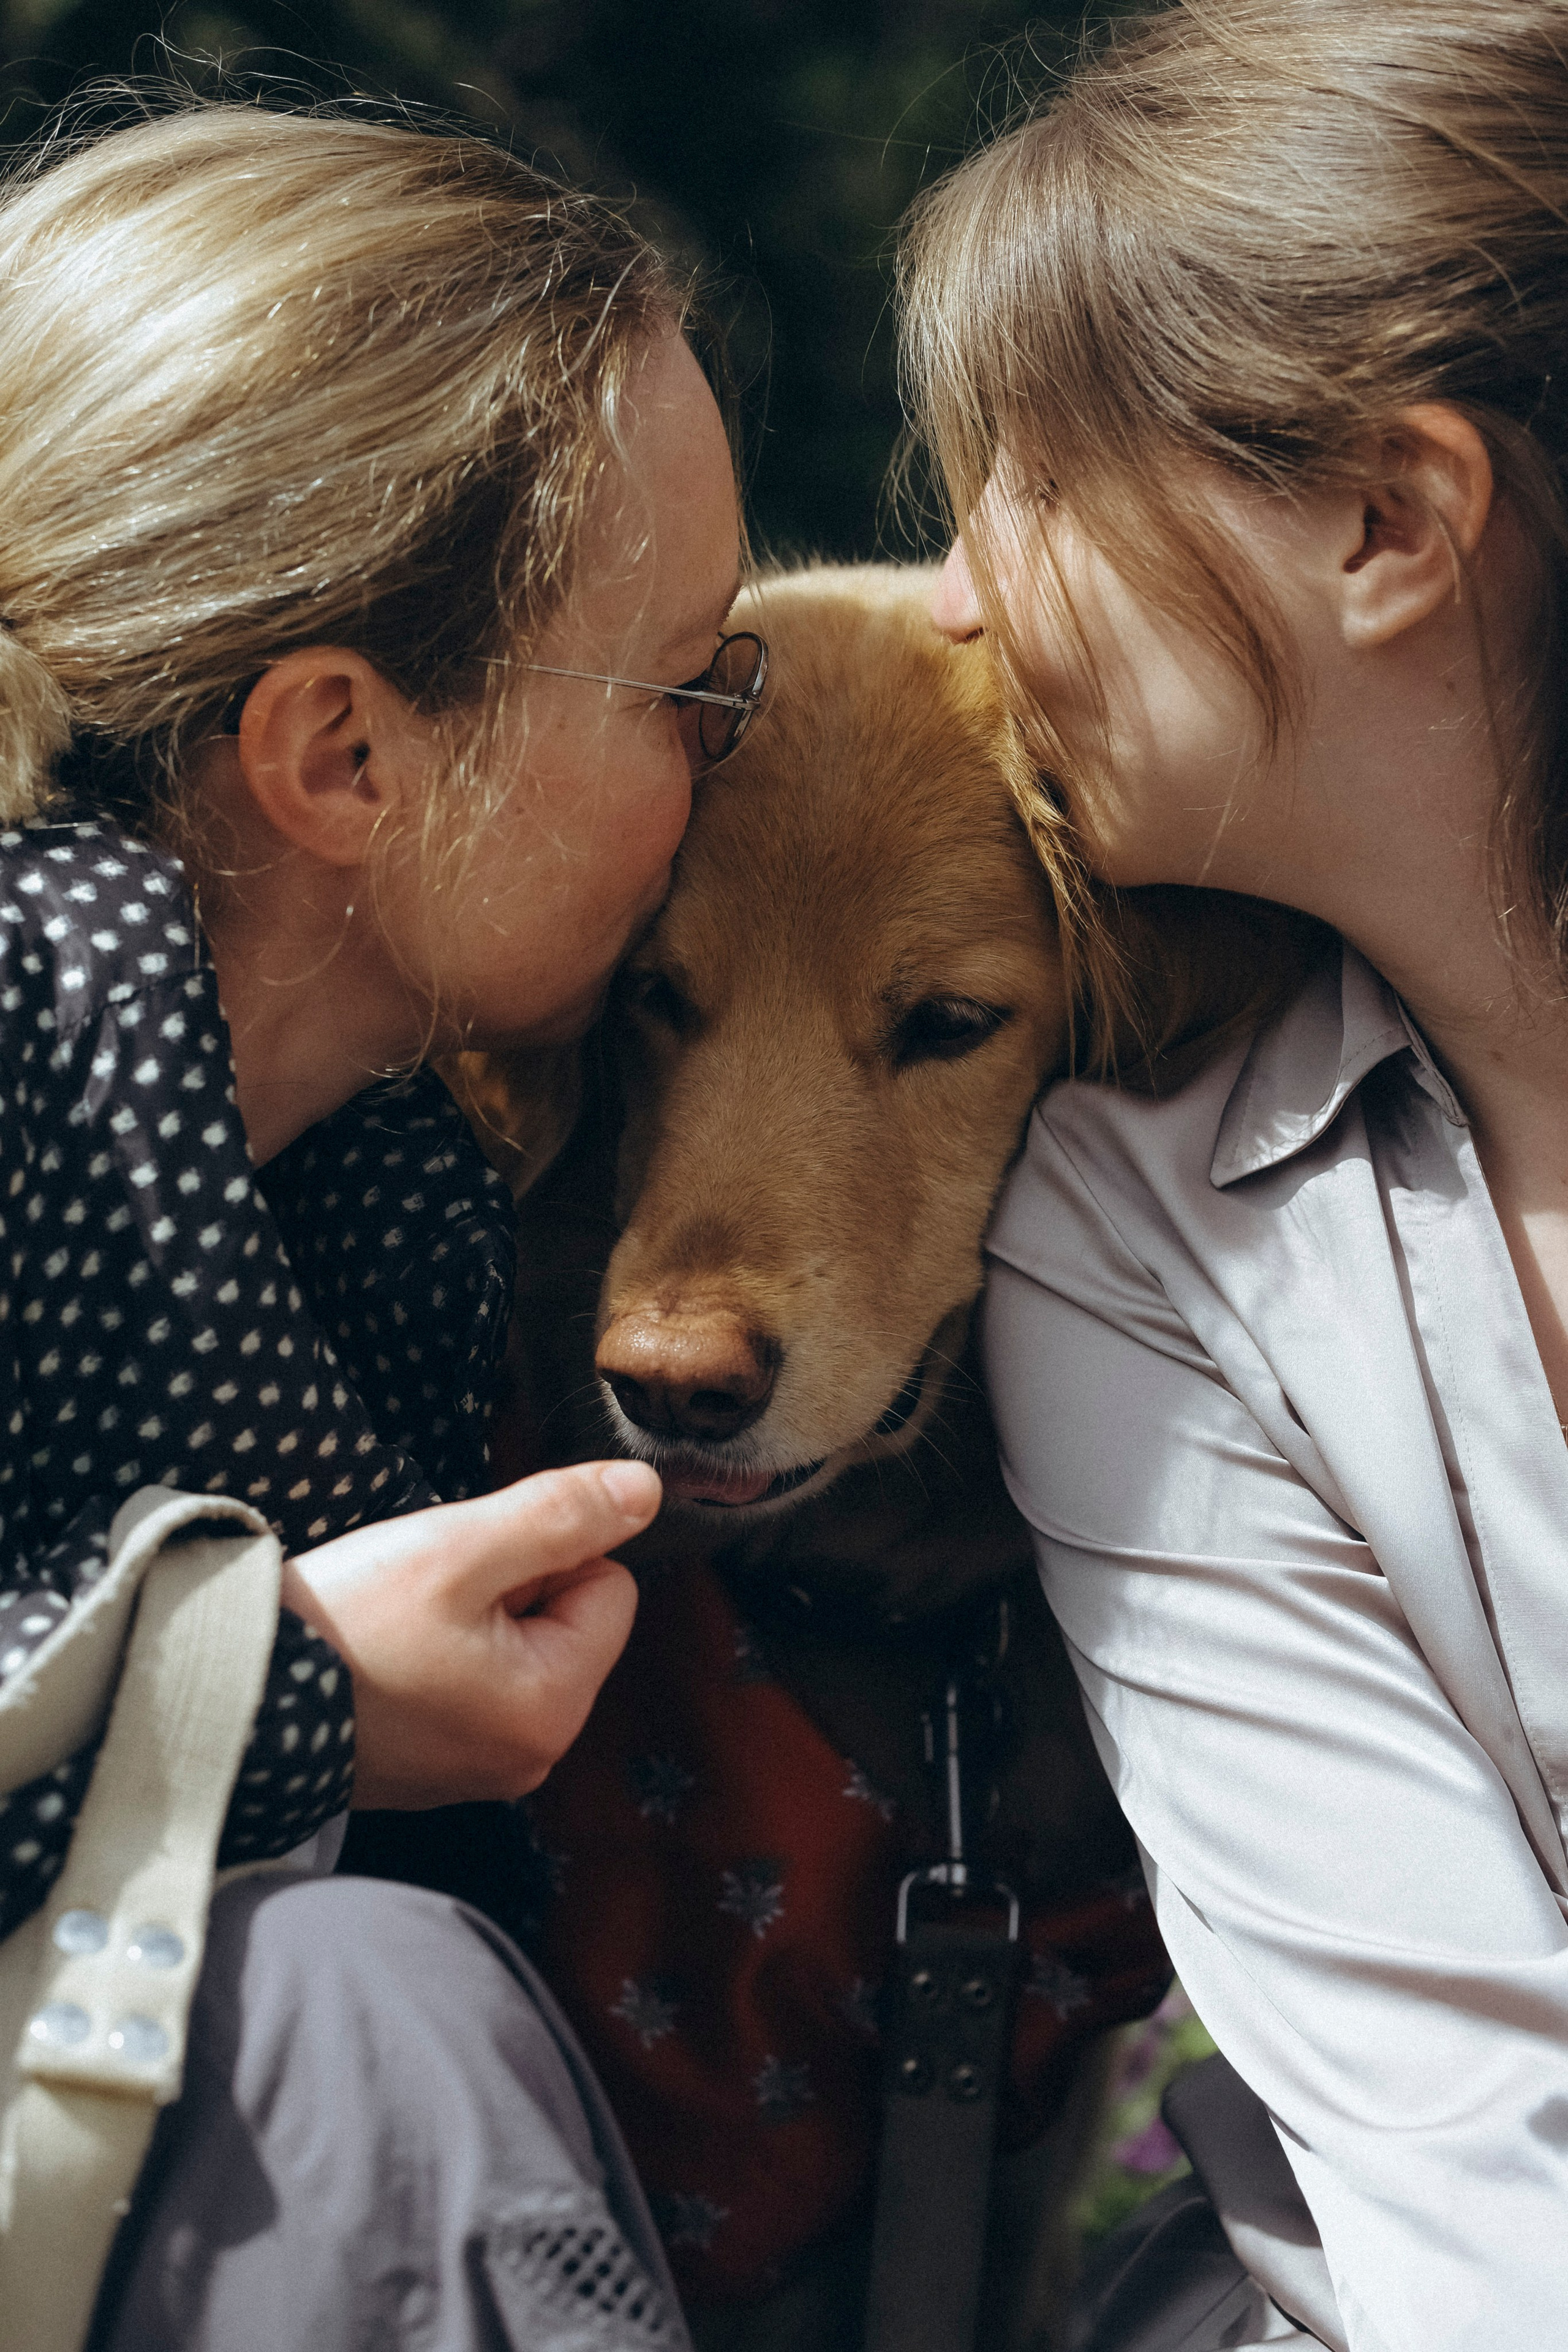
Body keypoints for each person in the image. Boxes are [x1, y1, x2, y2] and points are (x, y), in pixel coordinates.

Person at [0, 94, 755, 2352]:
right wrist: (283, 1702)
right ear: (345, 755)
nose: (728, 772)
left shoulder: (371, 1187)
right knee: (364, 2024)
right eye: (692, 693)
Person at [902, 2, 1568, 2347]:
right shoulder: (1135, 1229)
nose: (962, 602)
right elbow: (1442, 2129)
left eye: (1030, 485)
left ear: (1388, 520)